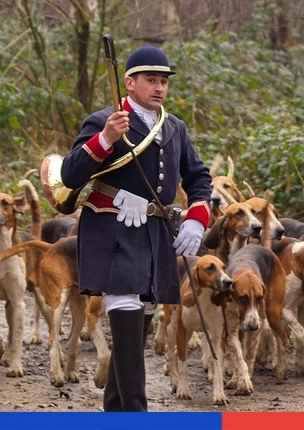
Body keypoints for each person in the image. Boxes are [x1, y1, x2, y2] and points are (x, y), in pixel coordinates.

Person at [61, 45, 211, 412]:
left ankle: (115, 411)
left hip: (154, 234)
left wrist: (196, 217)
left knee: (132, 343)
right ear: (129, 83)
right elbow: (69, 175)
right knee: (130, 340)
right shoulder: (103, 120)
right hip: (112, 231)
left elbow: (199, 177)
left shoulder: (174, 126)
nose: (159, 87)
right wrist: (106, 139)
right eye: (150, 80)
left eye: (163, 81)